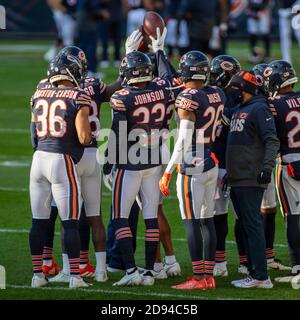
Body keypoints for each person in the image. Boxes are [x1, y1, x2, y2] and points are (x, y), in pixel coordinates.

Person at [108, 28, 176, 286]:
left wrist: (109, 165)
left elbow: (118, 132)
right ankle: (149, 272)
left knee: (121, 217)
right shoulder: (161, 89)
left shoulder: (123, 97)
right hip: (154, 161)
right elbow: (168, 77)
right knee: (150, 218)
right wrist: (159, 52)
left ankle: (131, 272)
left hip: (130, 163)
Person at [160, 50, 226, 290]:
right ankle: (209, 275)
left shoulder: (188, 98)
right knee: (207, 220)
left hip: (192, 163)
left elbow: (183, 141)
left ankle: (198, 278)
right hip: (211, 161)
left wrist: (167, 172)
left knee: (190, 221)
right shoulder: (216, 92)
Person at [29, 51, 92, 288]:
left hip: (38, 160)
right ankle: (75, 276)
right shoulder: (78, 95)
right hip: (61, 160)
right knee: (70, 222)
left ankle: (38, 276)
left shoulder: (39, 92)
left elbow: (34, 133)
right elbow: (84, 137)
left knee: (38, 222)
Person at [225, 70, 279, 288]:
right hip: (238, 177)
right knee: (248, 226)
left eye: (235, 88)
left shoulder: (258, 108)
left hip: (250, 176)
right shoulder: (241, 108)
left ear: (245, 89)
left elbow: (271, 140)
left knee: (253, 226)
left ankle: (261, 276)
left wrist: (267, 168)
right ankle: (255, 272)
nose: (232, 92)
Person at [264, 60, 300, 283]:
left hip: (288, 163)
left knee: (292, 217)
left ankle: (297, 268)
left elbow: (271, 137)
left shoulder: (274, 104)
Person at [209, 54, 241, 277]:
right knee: (224, 215)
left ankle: (222, 262)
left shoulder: (213, 96)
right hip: (225, 162)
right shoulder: (238, 97)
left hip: (222, 162)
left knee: (222, 215)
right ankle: (235, 262)